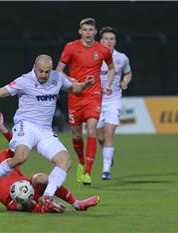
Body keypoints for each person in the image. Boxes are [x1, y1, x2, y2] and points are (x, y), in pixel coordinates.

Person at [0, 54, 94, 203]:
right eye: (41, 71)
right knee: (21, 157)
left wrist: (86, 84)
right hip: (26, 125)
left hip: (45, 130)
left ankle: (48, 195)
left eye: (47, 71)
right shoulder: (24, 81)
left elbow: (75, 89)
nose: (44, 75)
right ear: (34, 68)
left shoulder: (57, 77)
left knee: (65, 161)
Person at [0, 109, 100, 213]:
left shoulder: (4, 157)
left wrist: (1, 127)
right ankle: (46, 207)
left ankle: (76, 203)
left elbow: (18, 142)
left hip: (29, 187)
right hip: (13, 202)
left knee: (41, 178)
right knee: (20, 204)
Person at [56, 18, 115, 185]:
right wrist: (71, 81)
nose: (88, 32)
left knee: (91, 130)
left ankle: (88, 172)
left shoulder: (103, 50)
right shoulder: (71, 47)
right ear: (80, 31)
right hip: (75, 95)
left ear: (95, 32)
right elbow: (59, 70)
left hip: (94, 95)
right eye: (85, 29)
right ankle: (81, 161)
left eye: (91, 29)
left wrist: (108, 84)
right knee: (75, 135)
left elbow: (111, 68)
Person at [96, 26, 132, 180]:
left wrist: (125, 81)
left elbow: (128, 73)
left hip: (113, 100)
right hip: (96, 100)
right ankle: (108, 155)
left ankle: (106, 170)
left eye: (112, 39)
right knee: (100, 136)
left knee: (109, 132)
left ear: (115, 41)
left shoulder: (122, 58)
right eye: (106, 39)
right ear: (100, 40)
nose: (109, 41)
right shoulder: (94, 56)